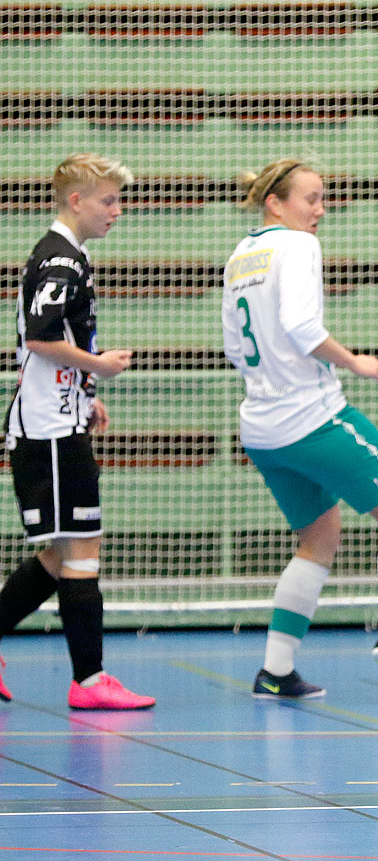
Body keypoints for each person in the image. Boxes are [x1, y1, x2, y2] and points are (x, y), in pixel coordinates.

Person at [223, 159, 378, 700]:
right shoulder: (297, 246)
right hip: (313, 415)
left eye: (323, 198)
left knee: (319, 538)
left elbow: (236, 345)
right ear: (276, 202)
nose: (320, 209)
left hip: (261, 424)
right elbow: (304, 328)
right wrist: (354, 361)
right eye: (311, 198)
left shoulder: (241, 254)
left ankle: (275, 671)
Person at [0, 153, 154, 710]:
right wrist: (99, 367)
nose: (117, 211)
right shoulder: (60, 261)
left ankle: (87, 678)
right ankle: (89, 682)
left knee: (59, 558)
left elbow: (53, 342)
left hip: (59, 420)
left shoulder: (70, 257)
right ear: (76, 200)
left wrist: (88, 395)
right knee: (81, 551)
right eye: (109, 200)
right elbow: (41, 337)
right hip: (47, 432)